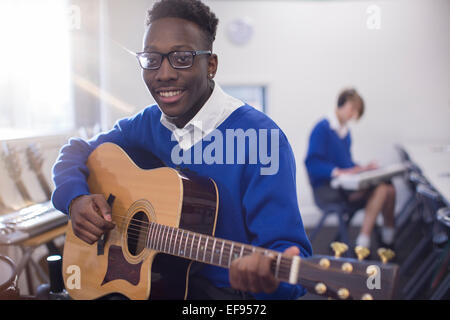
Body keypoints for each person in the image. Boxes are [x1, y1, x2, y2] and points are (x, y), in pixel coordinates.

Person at [52, 0, 311, 300]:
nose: (163, 74)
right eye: (152, 59)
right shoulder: (146, 125)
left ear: (211, 65)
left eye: (182, 58)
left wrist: (269, 282)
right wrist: (76, 198)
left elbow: (292, 262)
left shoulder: (261, 139)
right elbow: (76, 150)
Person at [304, 88, 396, 250]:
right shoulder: (322, 128)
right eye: (352, 110)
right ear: (342, 104)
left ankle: (386, 237)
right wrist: (338, 172)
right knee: (382, 189)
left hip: (344, 185)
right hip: (326, 189)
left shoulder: (345, 132)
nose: (354, 115)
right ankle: (365, 241)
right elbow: (312, 163)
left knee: (389, 188)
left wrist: (363, 168)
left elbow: (346, 163)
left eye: (357, 112)